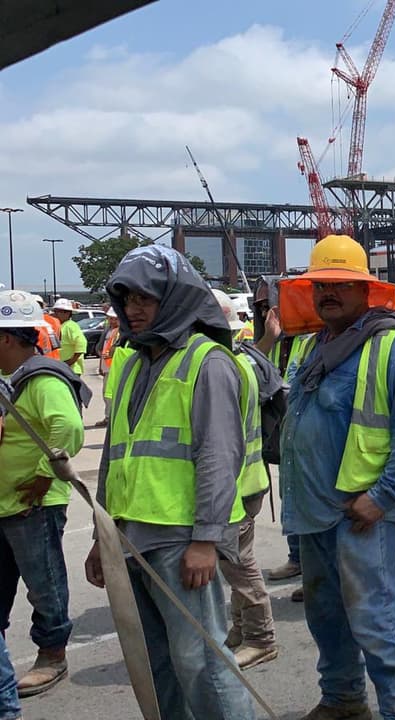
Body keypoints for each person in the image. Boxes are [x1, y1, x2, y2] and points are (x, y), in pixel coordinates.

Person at [87, 245, 255, 719]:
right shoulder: (135, 362)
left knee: (201, 662)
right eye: (126, 299)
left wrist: (205, 539)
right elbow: (114, 457)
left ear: (176, 298)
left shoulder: (208, 362)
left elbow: (219, 457)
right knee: (158, 664)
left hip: (180, 540)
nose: (133, 310)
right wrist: (104, 535)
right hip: (130, 537)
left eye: (146, 298)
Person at [278, 235, 395, 720]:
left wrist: (384, 496)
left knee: (379, 624)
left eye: (341, 285)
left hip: (364, 515)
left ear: (366, 291)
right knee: (326, 618)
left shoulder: (394, 349)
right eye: (321, 284)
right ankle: (344, 699)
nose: (329, 293)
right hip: (316, 513)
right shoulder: (312, 345)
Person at [0, 290, 87, 700]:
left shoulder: (42, 378)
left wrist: (41, 477)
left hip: (33, 505)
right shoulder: (14, 379)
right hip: (8, 504)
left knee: (44, 582)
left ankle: (52, 655)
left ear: (7, 338)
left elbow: (68, 429)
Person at [209, 290, 281, 669]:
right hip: (248, 480)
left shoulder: (225, 368)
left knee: (240, 566)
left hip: (237, 485)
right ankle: (240, 628)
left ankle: (260, 636)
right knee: (234, 561)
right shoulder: (242, 361)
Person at [254, 280, 316, 603]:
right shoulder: (273, 341)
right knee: (290, 495)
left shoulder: (310, 339)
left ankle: (316, 573)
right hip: (286, 435)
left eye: (272, 307)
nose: (267, 314)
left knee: (311, 506)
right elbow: (249, 368)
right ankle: (298, 559)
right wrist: (267, 338)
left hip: (311, 437)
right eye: (262, 308)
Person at [48, 299, 86, 376]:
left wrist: (69, 362)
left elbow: (81, 345)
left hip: (71, 369)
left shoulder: (71, 326)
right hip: (60, 368)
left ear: (69, 313)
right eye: (56, 311)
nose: (57, 314)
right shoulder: (57, 326)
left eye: (62, 311)